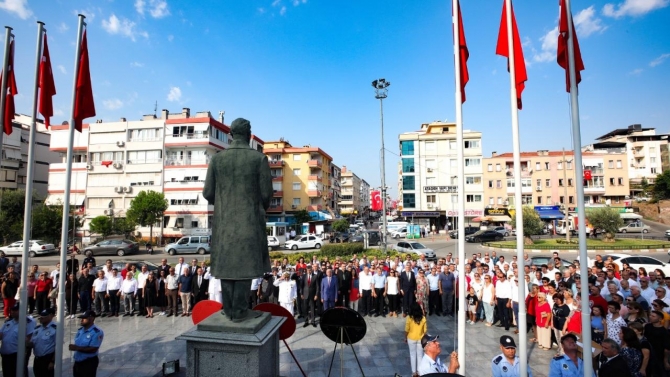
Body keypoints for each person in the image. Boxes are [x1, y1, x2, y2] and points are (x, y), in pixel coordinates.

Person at [203, 117, 273, 322]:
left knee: (227, 264)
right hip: (249, 222)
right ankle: (240, 310)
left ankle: (230, 308)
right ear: (249, 135)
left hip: (224, 224)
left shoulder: (217, 159)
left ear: (230, 134)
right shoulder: (258, 159)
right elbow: (267, 194)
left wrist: (225, 204)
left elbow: (208, 192)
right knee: (245, 264)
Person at [0, 303, 35, 377]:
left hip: (17, 354)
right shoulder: (8, 322)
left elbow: (30, 337)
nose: (12, 312)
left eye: (15, 310)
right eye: (11, 310)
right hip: (5, 355)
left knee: (19, 373)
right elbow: (1, 334)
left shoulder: (28, 322)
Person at [69, 310, 104, 377]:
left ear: (91, 319)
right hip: (78, 362)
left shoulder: (97, 332)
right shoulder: (80, 330)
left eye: (84, 318)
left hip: (88, 363)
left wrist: (76, 348)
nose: (81, 320)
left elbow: (94, 348)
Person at [31, 308, 57, 377]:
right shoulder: (37, 329)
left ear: (51, 316)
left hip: (47, 360)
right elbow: (32, 342)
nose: (41, 318)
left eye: (44, 316)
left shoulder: (55, 329)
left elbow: (57, 347)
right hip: (37, 359)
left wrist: (52, 361)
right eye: (41, 316)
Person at [405, 303, 426, 377]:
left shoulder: (409, 318)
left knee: (412, 355)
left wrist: (405, 338)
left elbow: (407, 329)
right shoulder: (423, 318)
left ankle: (414, 373)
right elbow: (425, 330)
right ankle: (419, 372)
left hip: (411, 338)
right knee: (420, 355)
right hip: (421, 338)